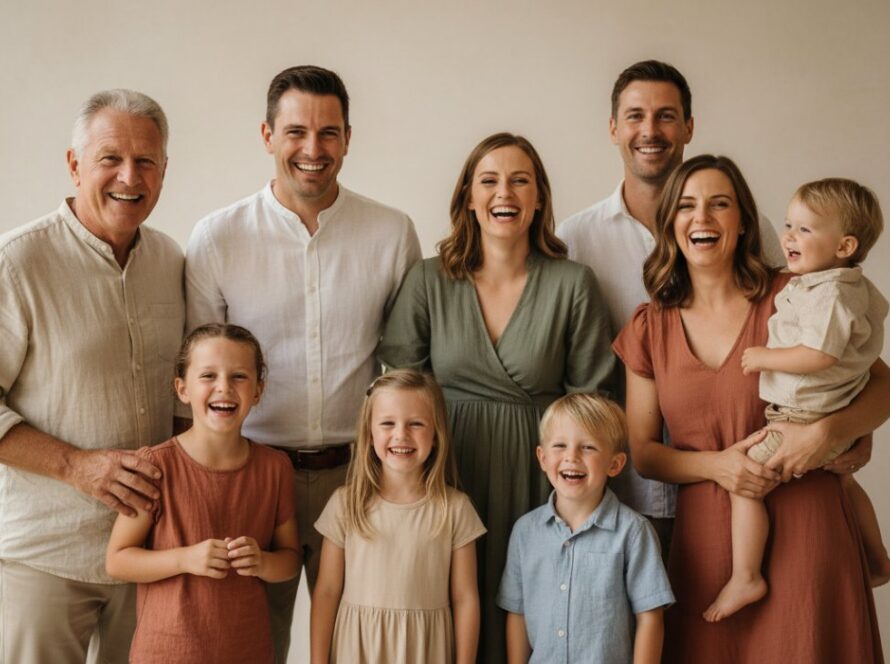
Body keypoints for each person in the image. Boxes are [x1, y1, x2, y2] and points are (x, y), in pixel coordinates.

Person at [184, 65, 421, 660]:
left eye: (328, 133)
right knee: (249, 646)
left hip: (360, 477)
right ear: (267, 135)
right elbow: (198, 375)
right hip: (248, 475)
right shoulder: (217, 237)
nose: (313, 149)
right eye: (295, 132)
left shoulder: (392, 233)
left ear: (348, 138)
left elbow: (407, 367)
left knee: (361, 644)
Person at [613, 154, 889, 663]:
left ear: (743, 221)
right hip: (706, 547)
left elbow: (882, 386)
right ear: (670, 222)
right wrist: (718, 466)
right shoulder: (649, 327)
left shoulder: (797, 295)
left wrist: (831, 433)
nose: (702, 217)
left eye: (719, 204)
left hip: (809, 527)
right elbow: (645, 455)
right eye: (687, 206)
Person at [378, 132, 614, 663]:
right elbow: (399, 391)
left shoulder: (573, 284)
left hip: (540, 474)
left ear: (539, 198)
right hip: (444, 472)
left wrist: (573, 490)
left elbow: (592, 403)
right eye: (489, 180)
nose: (503, 192)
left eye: (519, 181)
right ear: (468, 196)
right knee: (445, 611)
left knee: (536, 616)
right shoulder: (428, 279)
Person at [557, 60, 787, 553]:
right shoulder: (575, 239)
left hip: (749, 484)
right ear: (613, 128)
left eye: (666, 116)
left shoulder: (750, 230)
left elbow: (801, 328)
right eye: (635, 116)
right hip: (620, 492)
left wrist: (839, 432)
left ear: (689, 127)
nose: (650, 131)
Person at [0, 89, 183, 663]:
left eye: (145, 160)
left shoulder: (171, 261)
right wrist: (76, 466)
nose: (129, 176)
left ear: (164, 170)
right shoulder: (17, 262)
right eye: (110, 158)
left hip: (150, 553)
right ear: (74, 164)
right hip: (47, 554)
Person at [704, 178, 890, 621]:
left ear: (844, 246)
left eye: (804, 230)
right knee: (846, 485)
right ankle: (879, 558)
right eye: (788, 226)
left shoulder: (829, 293)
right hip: (826, 411)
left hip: (803, 416)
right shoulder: (844, 286)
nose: (788, 237)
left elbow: (821, 354)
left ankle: (746, 575)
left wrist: (765, 357)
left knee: (744, 481)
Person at [106, 324, 300, 663]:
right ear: (182, 389)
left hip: (248, 651)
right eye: (208, 375)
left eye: (239, 376)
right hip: (166, 653)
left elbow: (290, 560)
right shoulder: (154, 466)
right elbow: (117, 560)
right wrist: (185, 559)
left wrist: (262, 561)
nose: (224, 387)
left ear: (258, 390)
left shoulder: (275, 468)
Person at [310, 369, 485, 664]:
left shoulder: (455, 509)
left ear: (436, 433)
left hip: (425, 649)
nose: (401, 435)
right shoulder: (345, 504)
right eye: (388, 423)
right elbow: (327, 591)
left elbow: (465, 598)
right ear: (370, 433)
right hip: (357, 649)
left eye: (416, 423)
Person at [498, 393, 674, 664]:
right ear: (542, 458)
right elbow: (517, 613)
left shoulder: (633, 532)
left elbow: (650, 617)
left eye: (588, 447)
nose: (572, 457)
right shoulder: (525, 532)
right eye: (560, 445)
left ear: (615, 464)